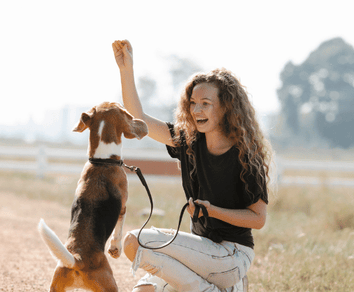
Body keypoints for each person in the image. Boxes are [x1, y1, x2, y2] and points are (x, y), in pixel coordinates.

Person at [112, 40, 272, 292]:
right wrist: (126, 70)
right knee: (142, 291)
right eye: (193, 103)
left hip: (232, 255)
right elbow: (138, 119)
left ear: (226, 107)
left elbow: (259, 219)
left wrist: (212, 210)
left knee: (135, 242)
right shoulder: (188, 142)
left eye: (205, 103)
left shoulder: (245, 156)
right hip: (198, 252)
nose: (196, 109)